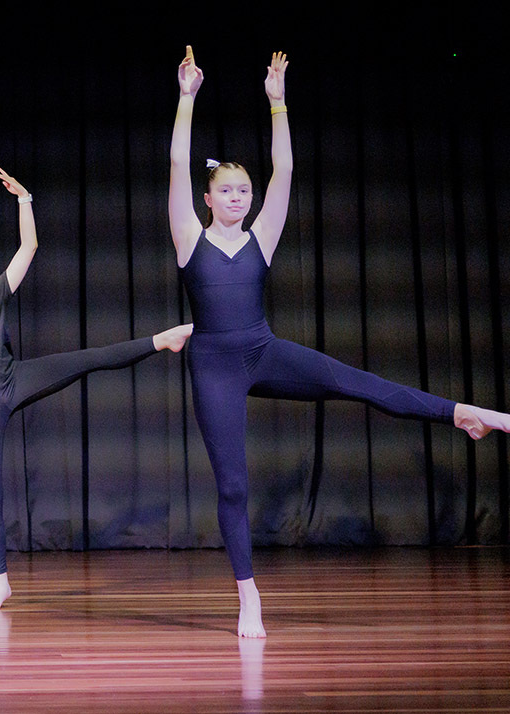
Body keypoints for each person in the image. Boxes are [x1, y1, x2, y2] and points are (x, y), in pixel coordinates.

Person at [168, 46, 510, 637]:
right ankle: (248, 595)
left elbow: (285, 172)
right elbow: (178, 162)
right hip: (216, 367)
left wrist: (277, 105)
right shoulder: (188, 238)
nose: (238, 198)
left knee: (359, 383)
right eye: (227, 191)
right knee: (233, 483)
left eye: (244, 191)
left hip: (262, 350)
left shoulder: (261, 238)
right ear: (208, 198)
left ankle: (465, 414)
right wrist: (185, 98)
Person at [0, 166, 194, 611]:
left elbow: (28, 246)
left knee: (87, 359)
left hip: (13, 380)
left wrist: (24, 200)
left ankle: (162, 340)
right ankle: (1, 582)